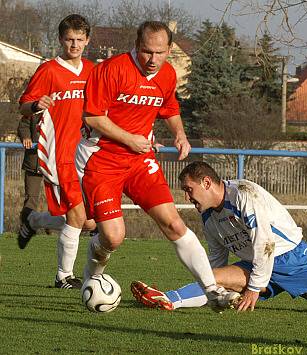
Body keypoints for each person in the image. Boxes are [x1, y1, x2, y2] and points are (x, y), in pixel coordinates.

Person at [75, 21, 240, 311]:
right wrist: (130, 139)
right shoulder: (111, 69)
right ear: (136, 46)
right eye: (146, 52)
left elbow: (170, 108)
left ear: (169, 50)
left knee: (174, 223)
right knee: (113, 237)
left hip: (140, 161)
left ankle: (213, 292)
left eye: (160, 53)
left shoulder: (166, 74)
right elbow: (92, 118)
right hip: (101, 160)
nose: (153, 60)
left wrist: (179, 133)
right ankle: (94, 275)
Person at [131, 161, 307, 315]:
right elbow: (215, 260)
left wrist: (254, 288)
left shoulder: (243, 194)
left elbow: (264, 242)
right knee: (212, 276)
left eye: (189, 189)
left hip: (291, 258)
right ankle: (166, 299)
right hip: (254, 265)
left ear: (206, 182)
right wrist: (218, 288)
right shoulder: (208, 216)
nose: (187, 196)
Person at [19, 14, 96, 289]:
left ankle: (35, 220)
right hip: (58, 154)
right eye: (69, 39)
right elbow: (23, 106)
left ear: (87, 40)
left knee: (87, 222)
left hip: (85, 155)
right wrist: (36, 104)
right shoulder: (49, 70)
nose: (74, 45)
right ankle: (63, 276)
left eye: (79, 39)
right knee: (77, 217)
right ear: (61, 40)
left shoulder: (92, 71)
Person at [17, 115, 67, 248]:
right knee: (31, 198)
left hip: (56, 163)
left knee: (58, 199)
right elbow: (23, 125)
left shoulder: (62, 107)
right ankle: (25, 229)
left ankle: (51, 229)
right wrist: (26, 137)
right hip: (34, 162)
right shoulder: (34, 109)